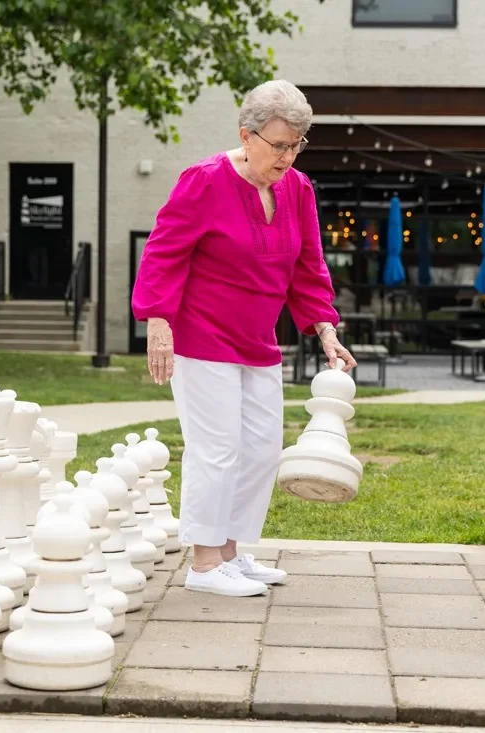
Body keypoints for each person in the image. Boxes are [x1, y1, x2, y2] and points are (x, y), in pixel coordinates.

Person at [130, 79, 357, 598]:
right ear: (246, 135)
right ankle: (205, 565)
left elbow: (307, 265)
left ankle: (232, 553)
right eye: (278, 145)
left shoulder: (297, 189)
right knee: (218, 448)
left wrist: (324, 327)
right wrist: (158, 322)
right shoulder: (204, 181)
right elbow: (164, 253)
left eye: (297, 145)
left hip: (257, 339)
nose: (287, 156)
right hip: (202, 335)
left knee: (260, 449)